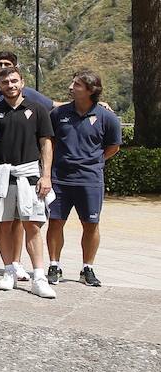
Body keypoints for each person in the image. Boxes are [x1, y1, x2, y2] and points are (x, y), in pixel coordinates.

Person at [47, 70, 122, 286]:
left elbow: (113, 147)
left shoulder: (107, 117)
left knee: (91, 224)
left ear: (90, 90)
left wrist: (94, 161)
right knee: (55, 222)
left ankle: (87, 268)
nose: (71, 87)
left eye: (77, 84)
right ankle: (54, 265)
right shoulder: (58, 114)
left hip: (90, 180)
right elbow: (50, 142)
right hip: (60, 179)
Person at [0, 65, 56, 298]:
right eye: (5, 82)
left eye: (14, 81)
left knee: (33, 225)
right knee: (4, 224)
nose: (11, 85)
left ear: (22, 82)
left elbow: (46, 144)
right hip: (2, 176)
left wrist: (46, 176)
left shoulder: (37, 109)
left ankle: (39, 276)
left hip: (30, 176)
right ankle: (8, 271)